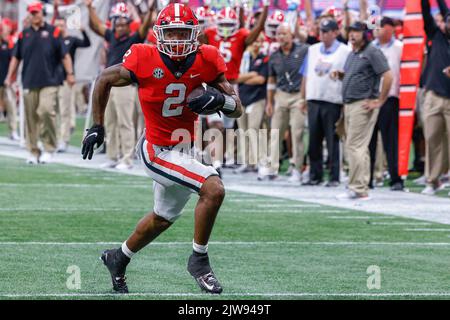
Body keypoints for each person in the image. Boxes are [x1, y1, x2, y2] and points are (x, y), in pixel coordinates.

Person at [81, 3, 243, 294]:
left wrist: (220, 101)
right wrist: (96, 125)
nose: (179, 41)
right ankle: (199, 260)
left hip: (187, 148)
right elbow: (104, 78)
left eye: (184, 34)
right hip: (157, 149)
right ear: (159, 34)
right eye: (173, 33)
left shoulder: (208, 58)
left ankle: (118, 258)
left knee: (161, 218)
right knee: (213, 188)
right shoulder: (144, 56)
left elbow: (237, 110)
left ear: (195, 34)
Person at [85, 0, 154, 170]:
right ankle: (113, 155)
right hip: (109, 86)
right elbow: (96, 26)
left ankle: (127, 158)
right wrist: (89, 8)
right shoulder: (111, 36)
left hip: (126, 86)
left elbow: (144, 27)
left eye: (124, 22)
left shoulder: (134, 37)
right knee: (110, 122)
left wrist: (151, 9)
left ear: (129, 23)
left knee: (125, 122)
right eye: (118, 22)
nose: (121, 26)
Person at [4, 1, 75, 164]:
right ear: (29, 14)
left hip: (50, 81)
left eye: (37, 12)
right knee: (30, 118)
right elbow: (16, 57)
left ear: (42, 13)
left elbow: (65, 55)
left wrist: (70, 73)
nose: (35, 15)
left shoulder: (54, 32)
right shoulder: (24, 34)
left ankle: (49, 147)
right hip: (29, 80)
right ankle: (33, 150)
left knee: (46, 111)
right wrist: (9, 76)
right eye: (32, 13)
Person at [331, 21, 393, 200]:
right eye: (350, 31)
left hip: (362, 104)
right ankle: (361, 187)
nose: (352, 35)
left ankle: (357, 188)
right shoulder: (353, 53)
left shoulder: (372, 52)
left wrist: (379, 101)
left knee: (354, 145)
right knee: (359, 147)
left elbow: (388, 76)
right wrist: (342, 76)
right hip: (350, 104)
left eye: (357, 32)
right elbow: (358, 76)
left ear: (365, 34)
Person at [300, 18, 350, 186]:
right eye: (321, 31)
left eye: (327, 31)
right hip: (314, 98)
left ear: (335, 32)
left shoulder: (345, 51)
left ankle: (335, 176)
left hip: (333, 99)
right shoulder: (313, 49)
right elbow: (306, 75)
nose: (323, 34)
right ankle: (315, 175)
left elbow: (348, 76)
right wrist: (303, 97)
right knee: (314, 139)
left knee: (333, 140)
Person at [265, 23, 309, 182]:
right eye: (279, 34)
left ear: (291, 35)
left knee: (297, 133)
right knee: (275, 131)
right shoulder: (274, 55)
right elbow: (271, 79)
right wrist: (269, 102)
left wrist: (305, 97)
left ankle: (297, 168)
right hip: (281, 94)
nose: (281, 37)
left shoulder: (303, 50)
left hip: (298, 94)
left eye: (285, 33)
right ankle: (272, 168)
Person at [369, 16, 404, 191]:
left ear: (391, 28)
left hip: (390, 99)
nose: (377, 30)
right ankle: (366, 178)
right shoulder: (370, 47)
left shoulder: (399, 47)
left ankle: (396, 178)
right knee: (369, 142)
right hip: (369, 98)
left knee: (391, 141)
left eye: (381, 27)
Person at [420, 0, 450, 195]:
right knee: (431, 138)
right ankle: (433, 180)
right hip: (433, 94)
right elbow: (427, 13)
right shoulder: (436, 35)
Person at [54, 14, 91, 152]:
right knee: (55, 111)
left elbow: (87, 43)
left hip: (65, 80)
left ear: (65, 25)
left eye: (61, 25)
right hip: (53, 80)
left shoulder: (71, 40)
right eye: (57, 25)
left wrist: (82, 30)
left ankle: (63, 140)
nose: (59, 27)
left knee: (64, 111)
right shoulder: (53, 40)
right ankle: (59, 136)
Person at [235, 32, 269, 173]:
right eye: (253, 42)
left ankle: (259, 161)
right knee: (242, 131)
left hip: (257, 98)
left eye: (258, 42)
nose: (255, 44)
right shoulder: (243, 59)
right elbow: (235, 77)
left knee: (254, 129)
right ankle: (246, 161)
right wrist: (250, 76)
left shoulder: (264, 59)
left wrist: (243, 78)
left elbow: (261, 79)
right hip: (242, 98)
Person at [0, 18, 18, 141]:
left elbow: (15, 61)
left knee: (11, 106)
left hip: (7, 80)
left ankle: (13, 131)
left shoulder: (11, 43)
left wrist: (12, 78)